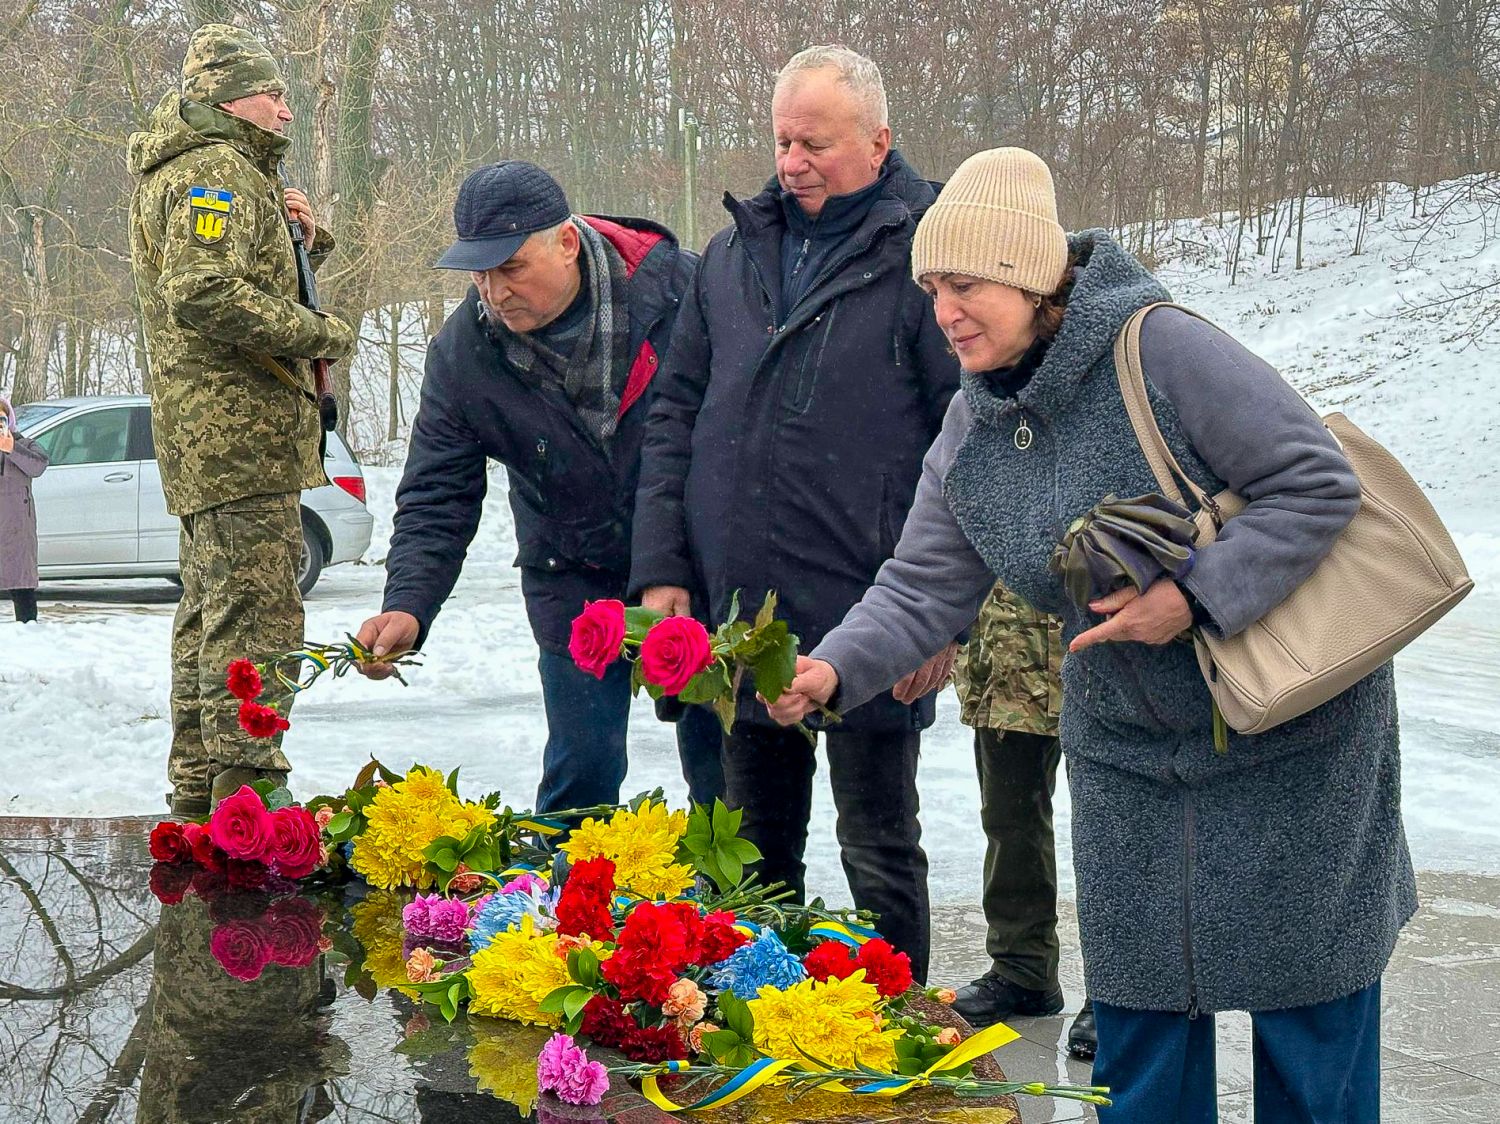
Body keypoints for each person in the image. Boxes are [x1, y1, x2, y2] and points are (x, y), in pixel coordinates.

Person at [767, 147, 1412, 1123]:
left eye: (968, 283)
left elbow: (1317, 481)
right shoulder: (970, 425)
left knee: (1310, 1044)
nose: (946, 309)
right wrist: (833, 666)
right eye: (934, 287)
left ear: (1032, 274)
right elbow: (924, 582)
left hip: (1290, 739)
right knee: (1142, 1045)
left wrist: (1193, 593)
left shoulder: (1162, 352)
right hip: (1131, 756)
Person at [630, 46, 960, 982]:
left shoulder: (928, 256)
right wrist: (662, 568)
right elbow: (674, 415)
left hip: (872, 609)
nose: (792, 160)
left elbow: (965, 441)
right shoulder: (731, 253)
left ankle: (895, 1044)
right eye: (782, 139)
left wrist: (938, 619)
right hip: (742, 618)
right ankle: (756, 1022)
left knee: (878, 852)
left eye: (815, 141)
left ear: (879, 141)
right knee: (756, 854)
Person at [355, 161, 724, 813]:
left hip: (693, 565)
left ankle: (728, 914)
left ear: (567, 243)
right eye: (480, 273)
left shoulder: (687, 295)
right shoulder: (464, 355)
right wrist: (408, 601)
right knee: (582, 772)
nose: (495, 292)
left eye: (512, 267)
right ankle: (567, 910)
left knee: (722, 769)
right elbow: (437, 491)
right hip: (571, 572)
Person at [128, 23, 355, 817]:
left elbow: (228, 274)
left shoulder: (215, 174)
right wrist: (323, 334)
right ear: (229, 98)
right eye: (274, 93)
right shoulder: (215, 174)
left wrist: (304, 241)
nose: (287, 109)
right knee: (257, 610)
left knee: (210, 609)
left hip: (218, 441)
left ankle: (199, 784)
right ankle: (247, 786)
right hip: (238, 438)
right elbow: (205, 291)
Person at [952, 583, 1096, 1058]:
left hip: (1101, 653)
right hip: (1005, 655)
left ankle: (1117, 990)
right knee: (1009, 822)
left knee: (1111, 833)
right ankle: (1022, 969)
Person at [0, 397, 49, 623]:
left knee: (21, 585)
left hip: (16, 528)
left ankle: (28, 634)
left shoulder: (25, 444)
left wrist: (11, 448)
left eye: (1, 419)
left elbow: (38, 465)